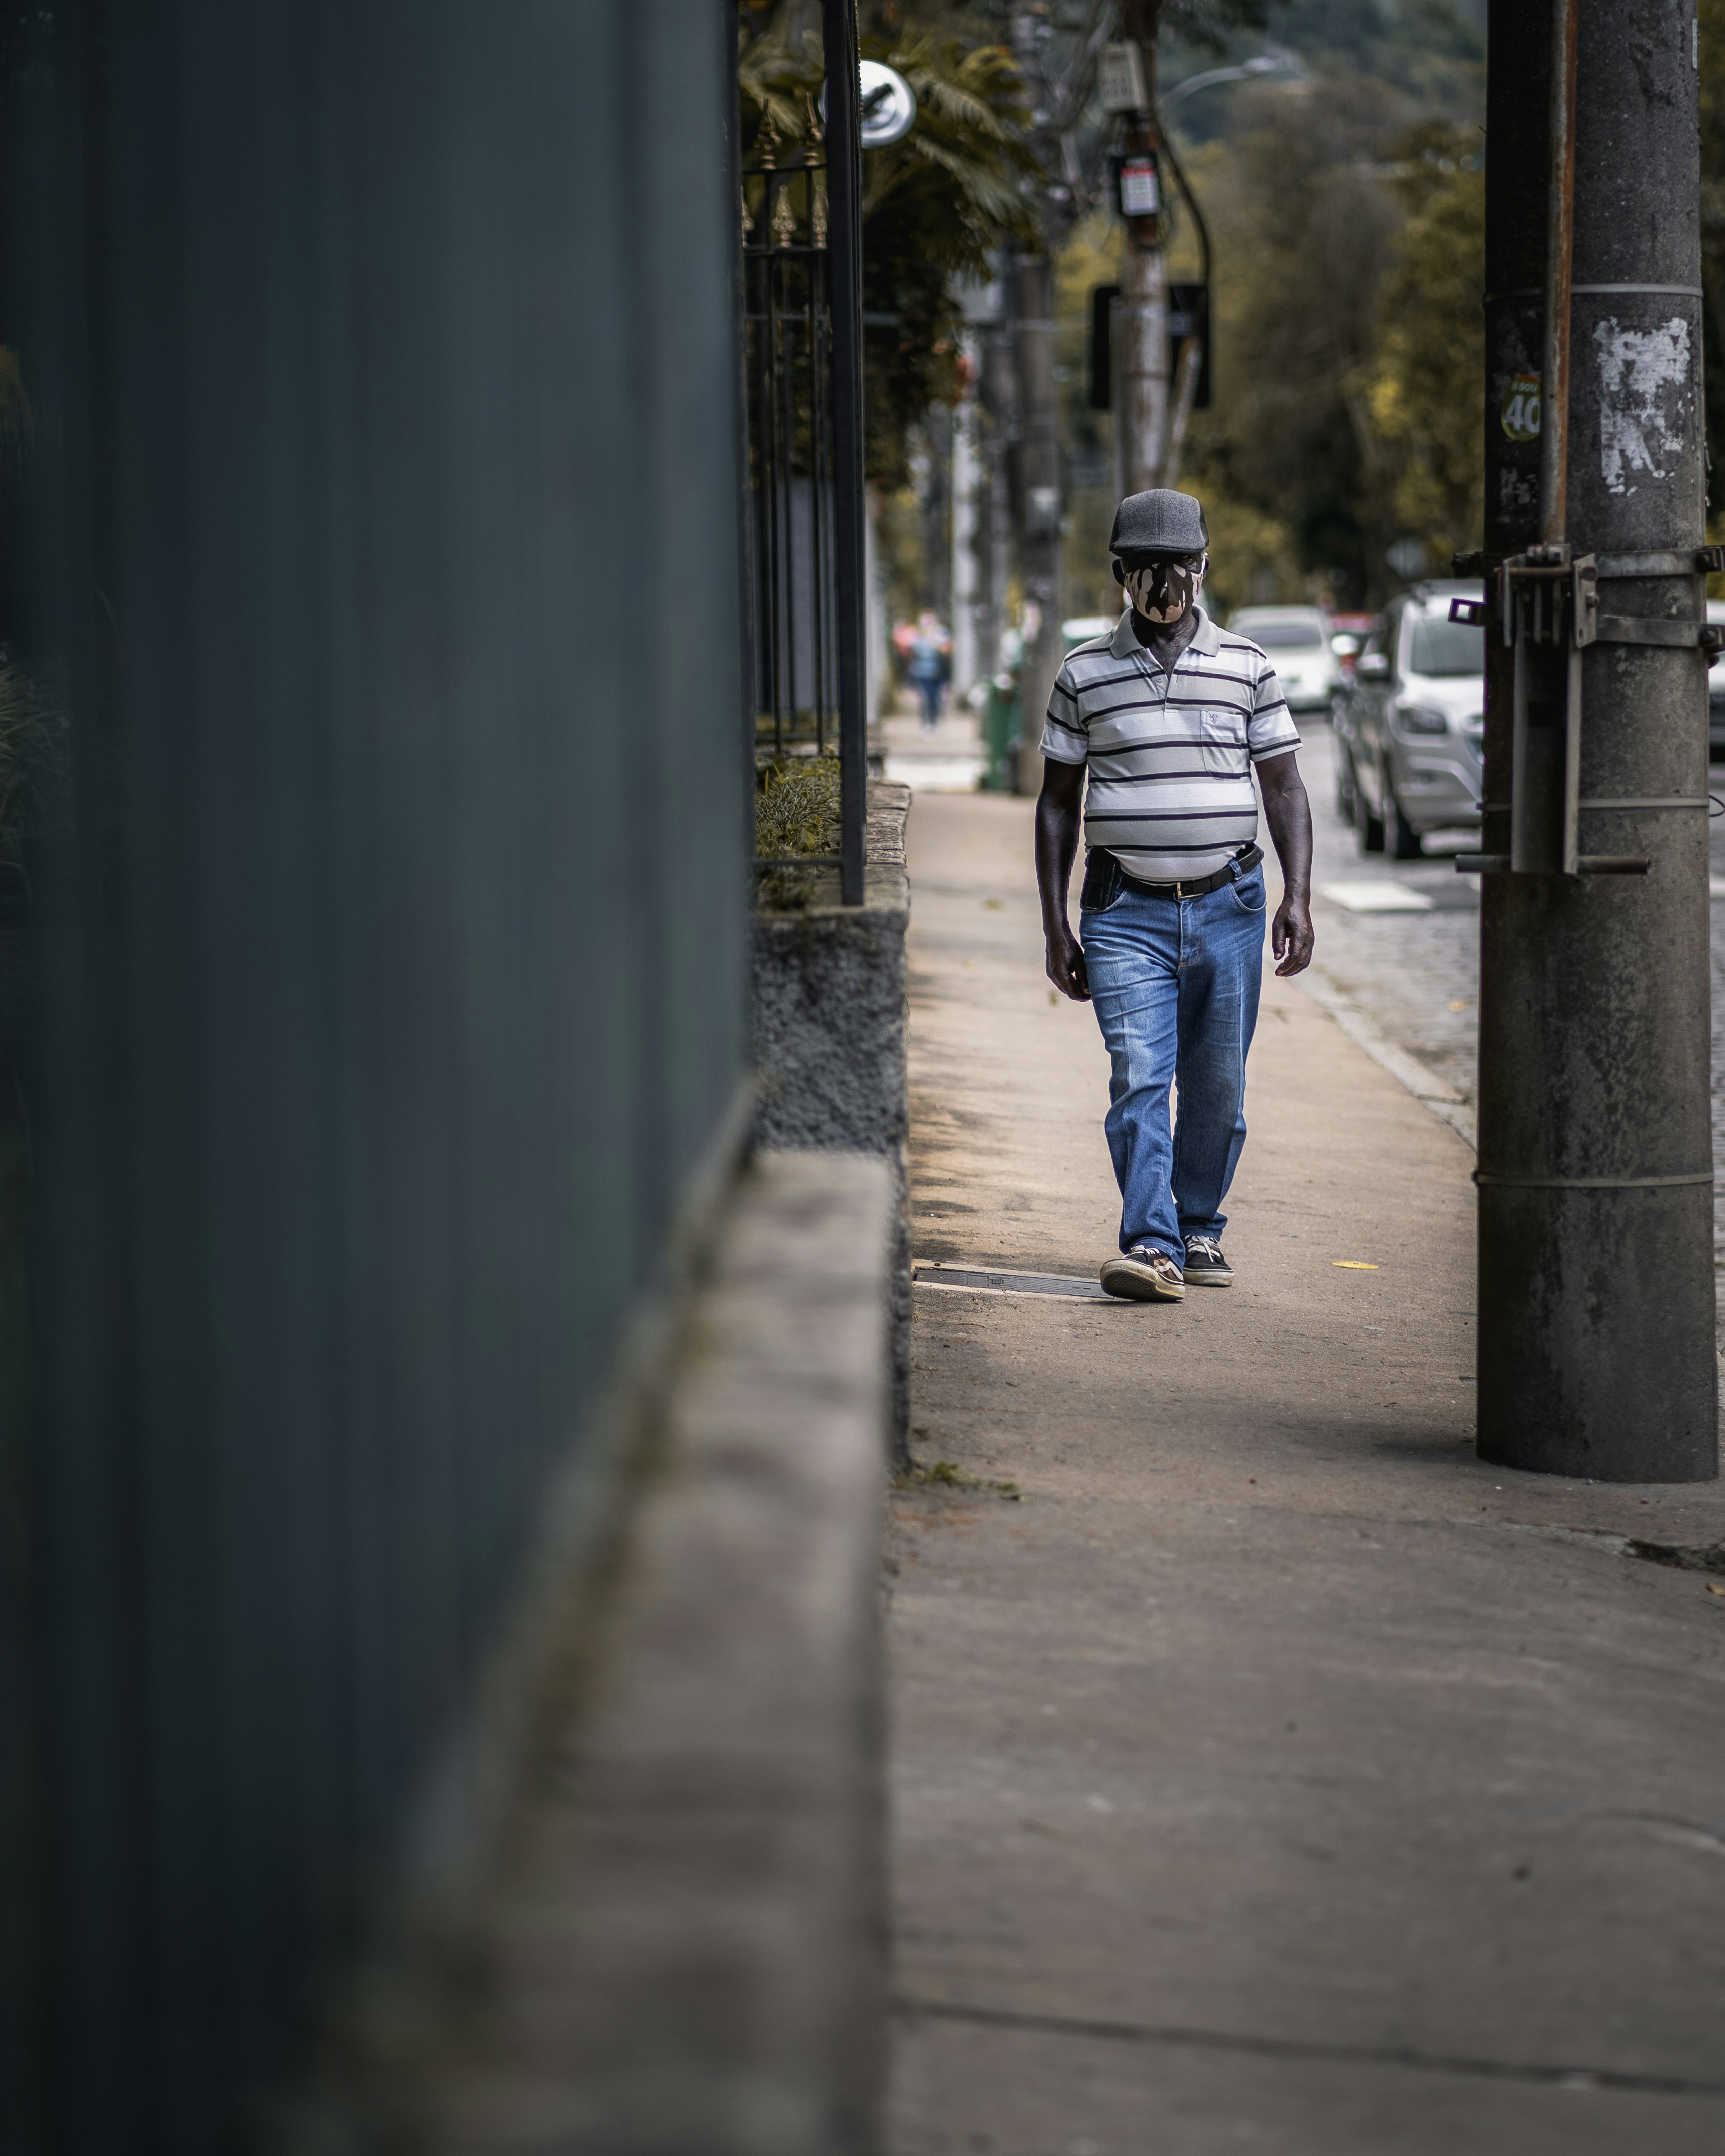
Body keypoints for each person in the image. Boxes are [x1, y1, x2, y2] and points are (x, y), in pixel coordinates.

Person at [1034, 487, 1314, 1301]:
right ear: (1121, 575)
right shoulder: (1082, 672)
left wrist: (1296, 896)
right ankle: (1151, 1245)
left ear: (1202, 567)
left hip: (1230, 906)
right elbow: (1057, 801)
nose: (1166, 583)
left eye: (1180, 566)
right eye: (1147, 568)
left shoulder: (1248, 667)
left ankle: (1198, 1226)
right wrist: (1054, 923)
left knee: (1218, 1088)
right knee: (1139, 1077)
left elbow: (1285, 788)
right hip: (1124, 912)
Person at [905, 610, 951, 731]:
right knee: (926, 697)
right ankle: (926, 721)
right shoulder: (917, 636)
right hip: (922, 673)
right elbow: (911, 652)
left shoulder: (941, 633)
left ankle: (933, 720)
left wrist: (937, 644)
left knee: (935, 697)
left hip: (938, 673)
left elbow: (947, 650)